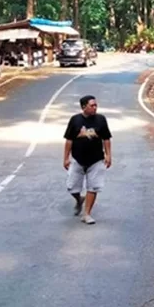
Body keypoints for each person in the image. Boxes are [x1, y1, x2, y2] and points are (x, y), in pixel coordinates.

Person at [63, 95, 112, 225]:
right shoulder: (75, 120)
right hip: (78, 159)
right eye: (92, 105)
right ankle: (79, 199)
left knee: (93, 187)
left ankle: (87, 214)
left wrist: (108, 155)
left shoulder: (101, 120)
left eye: (96, 105)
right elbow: (69, 140)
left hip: (96, 159)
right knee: (71, 187)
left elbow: (106, 138)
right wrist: (66, 158)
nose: (95, 107)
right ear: (84, 106)